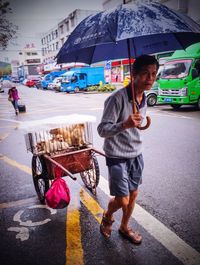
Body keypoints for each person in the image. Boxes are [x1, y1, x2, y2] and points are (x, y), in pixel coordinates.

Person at [97, 54, 159, 244]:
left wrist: (141, 125)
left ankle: (125, 227)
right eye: (145, 74)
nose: (150, 79)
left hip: (136, 154)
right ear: (133, 74)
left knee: (133, 194)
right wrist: (124, 124)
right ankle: (108, 216)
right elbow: (102, 130)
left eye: (154, 74)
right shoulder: (116, 99)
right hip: (116, 155)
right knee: (122, 199)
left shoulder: (144, 97)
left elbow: (136, 124)